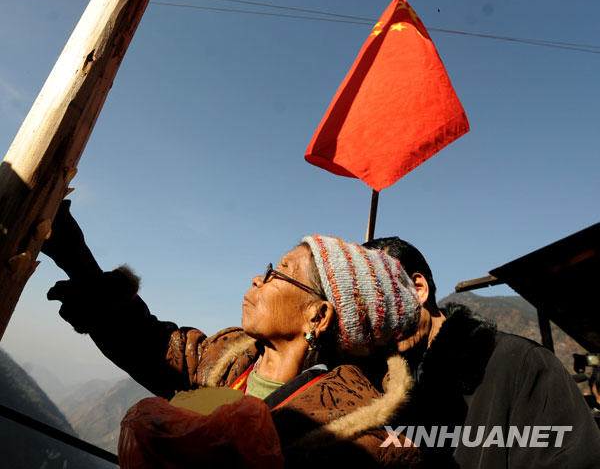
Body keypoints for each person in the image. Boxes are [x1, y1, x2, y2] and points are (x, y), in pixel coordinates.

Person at [41, 202, 421, 468]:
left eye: (279, 272)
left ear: (317, 316)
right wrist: (77, 257)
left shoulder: (358, 443)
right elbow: (150, 345)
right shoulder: (232, 357)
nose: (258, 278)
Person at [364, 236, 600, 468]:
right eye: (360, 314)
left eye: (377, 305)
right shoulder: (373, 387)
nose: (372, 325)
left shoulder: (522, 365)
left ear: (418, 289)